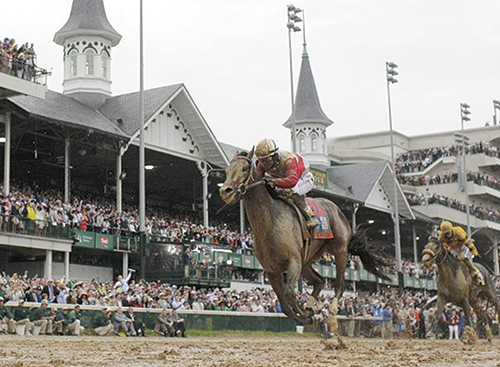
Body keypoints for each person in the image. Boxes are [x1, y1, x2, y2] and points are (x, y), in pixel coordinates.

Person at [255, 138, 320, 228]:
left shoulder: (288, 160)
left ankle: (310, 216)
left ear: (274, 156)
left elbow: (292, 181)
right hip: (286, 179)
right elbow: (258, 178)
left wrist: (274, 182)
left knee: (292, 192)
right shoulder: (262, 163)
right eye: (262, 160)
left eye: (267, 159)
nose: (264, 163)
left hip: (303, 178)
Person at [439, 221, 485, 286]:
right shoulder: (441, 236)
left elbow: (467, 242)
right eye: (445, 233)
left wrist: (473, 250)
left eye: (448, 232)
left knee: (462, 257)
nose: (447, 235)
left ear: (451, 230)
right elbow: (442, 244)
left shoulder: (458, 231)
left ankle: (475, 272)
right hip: (452, 247)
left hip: (462, 246)